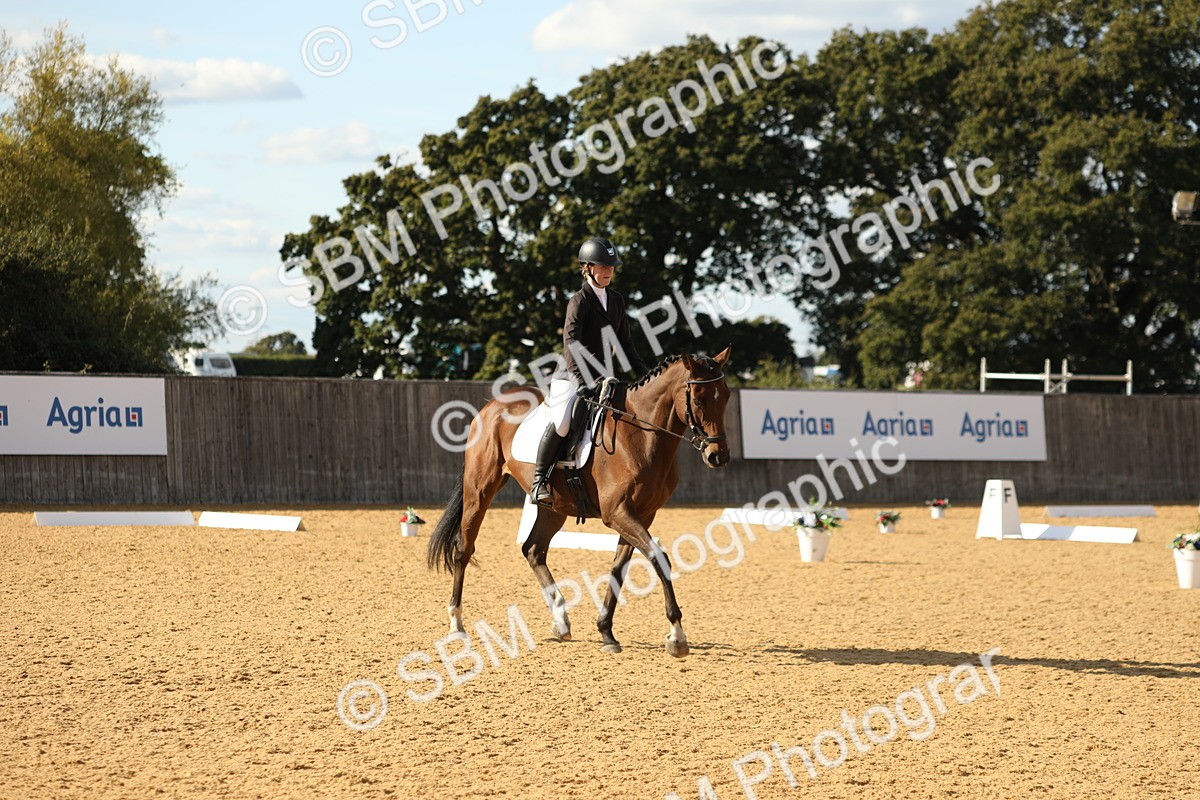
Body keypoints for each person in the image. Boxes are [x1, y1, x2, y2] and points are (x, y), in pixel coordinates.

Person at [529, 236, 649, 506]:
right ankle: (539, 481)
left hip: (604, 377)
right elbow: (571, 343)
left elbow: (625, 343)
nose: (608, 271)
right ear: (588, 268)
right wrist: (580, 380)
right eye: (602, 266)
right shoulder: (579, 301)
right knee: (562, 420)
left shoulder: (616, 301)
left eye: (611, 267)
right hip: (572, 375)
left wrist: (645, 376)